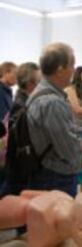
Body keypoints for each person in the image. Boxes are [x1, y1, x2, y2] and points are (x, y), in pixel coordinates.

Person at [26, 43, 82, 197]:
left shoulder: (41, 94)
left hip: (47, 174)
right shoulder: (52, 103)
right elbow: (69, 151)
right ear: (60, 70)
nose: (74, 71)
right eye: (72, 65)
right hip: (55, 178)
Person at [0, 62, 41, 196]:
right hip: (18, 162)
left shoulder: (19, 98)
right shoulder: (22, 104)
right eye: (40, 81)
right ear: (30, 84)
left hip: (15, 161)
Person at [0, 62, 17, 138]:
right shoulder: (1, 91)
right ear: (6, 73)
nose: (17, 78)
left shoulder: (7, 92)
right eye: (15, 74)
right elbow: (3, 117)